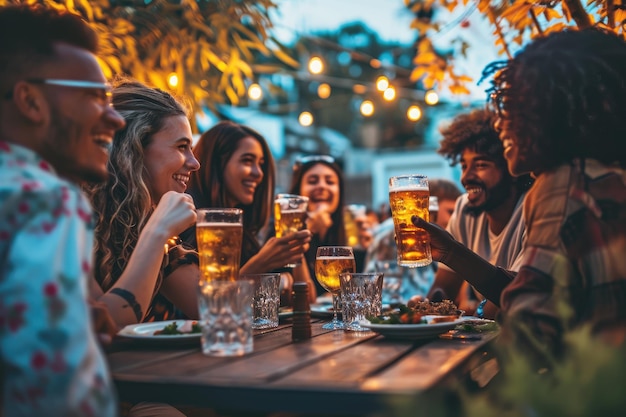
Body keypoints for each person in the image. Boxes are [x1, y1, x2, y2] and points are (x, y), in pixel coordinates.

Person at [414, 28, 626, 357]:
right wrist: (454, 254)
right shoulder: (605, 178)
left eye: (515, 107)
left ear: (554, 112)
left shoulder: (563, 184)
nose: (501, 124)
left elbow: (529, 332)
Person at [0, 4, 125, 416]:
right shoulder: (46, 201)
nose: (115, 117)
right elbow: (56, 392)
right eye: (94, 96)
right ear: (30, 101)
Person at [87, 78, 201, 327]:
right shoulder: (73, 216)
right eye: (182, 147)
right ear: (133, 150)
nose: (194, 163)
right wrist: (157, 232)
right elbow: (104, 325)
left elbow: (212, 308)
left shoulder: (140, 224)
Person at [182, 121, 315, 302]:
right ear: (216, 163)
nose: (258, 173)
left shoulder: (244, 231)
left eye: (260, 163)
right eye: (247, 160)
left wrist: (293, 253)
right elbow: (206, 305)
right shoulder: (188, 222)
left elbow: (305, 299)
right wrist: (261, 264)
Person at [421, 109, 533, 319]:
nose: (467, 177)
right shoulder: (465, 209)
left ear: (511, 168)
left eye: (481, 165)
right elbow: (444, 289)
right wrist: (425, 308)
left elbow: (518, 294)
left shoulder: (532, 207)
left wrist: (452, 253)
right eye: (464, 165)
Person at [364, 178, 462, 300]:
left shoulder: (433, 242)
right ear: (428, 205)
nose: (454, 219)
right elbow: (383, 296)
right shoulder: (391, 232)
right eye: (450, 212)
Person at [287, 155, 371, 296]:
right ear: (298, 191)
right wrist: (306, 231)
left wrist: (368, 251)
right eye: (313, 181)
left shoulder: (348, 231)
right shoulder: (283, 233)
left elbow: (359, 292)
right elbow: (304, 297)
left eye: (330, 182)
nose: (321, 186)